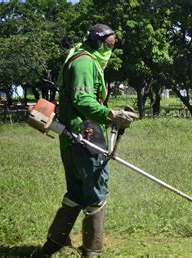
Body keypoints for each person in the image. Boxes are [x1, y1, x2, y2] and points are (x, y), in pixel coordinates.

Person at [36, 24, 137, 256]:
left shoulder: (79, 57)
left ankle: (53, 245)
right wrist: (110, 115)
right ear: (97, 42)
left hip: (73, 137)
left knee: (76, 194)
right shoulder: (84, 62)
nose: (111, 50)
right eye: (109, 45)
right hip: (85, 136)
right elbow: (83, 100)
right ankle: (92, 251)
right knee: (96, 193)